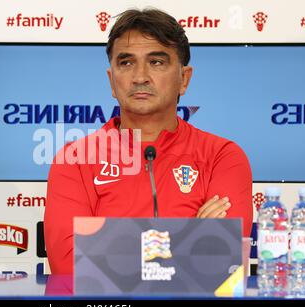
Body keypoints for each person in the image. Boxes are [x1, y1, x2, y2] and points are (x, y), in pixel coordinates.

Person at [44, 8, 253, 275]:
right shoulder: (74, 159)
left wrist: (104, 246)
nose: (140, 76)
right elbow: (69, 266)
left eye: (156, 62)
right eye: (126, 62)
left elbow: (221, 260)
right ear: (112, 80)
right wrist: (191, 239)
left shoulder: (223, 156)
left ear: (184, 79)